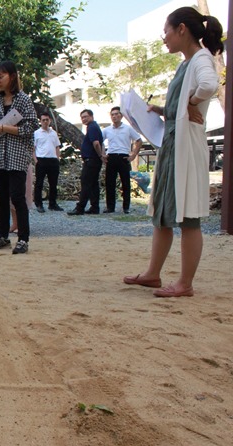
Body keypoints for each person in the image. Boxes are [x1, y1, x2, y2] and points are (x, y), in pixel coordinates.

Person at [124, 7, 223, 298]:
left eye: (166, 31)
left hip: (185, 148)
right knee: (162, 212)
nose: (164, 37)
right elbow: (182, 105)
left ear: (182, 29)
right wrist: (162, 109)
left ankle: (185, 283)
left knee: (187, 215)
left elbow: (209, 85)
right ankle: (153, 273)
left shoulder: (201, 58)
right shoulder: (186, 64)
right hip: (171, 145)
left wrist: (191, 102)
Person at [0, 61, 37, 255]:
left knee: (17, 197)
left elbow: (31, 127)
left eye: (1, 77)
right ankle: (3, 236)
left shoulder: (23, 100)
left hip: (17, 156)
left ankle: (23, 239)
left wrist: (4, 128)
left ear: (12, 76)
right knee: (1, 198)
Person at [102, 106, 142, 214]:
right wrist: (103, 154)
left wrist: (133, 154)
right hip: (111, 156)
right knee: (110, 183)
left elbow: (139, 140)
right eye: (112, 114)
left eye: (117, 114)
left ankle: (126, 207)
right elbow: (100, 141)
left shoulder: (128, 129)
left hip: (123, 157)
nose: (114, 116)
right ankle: (110, 207)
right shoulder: (107, 130)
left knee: (125, 183)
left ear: (121, 116)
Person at [68, 109, 104, 215]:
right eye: (82, 117)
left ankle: (80, 208)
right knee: (93, 184)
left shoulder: (92, 127)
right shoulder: (94, 127)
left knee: (86, 183)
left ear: (91, 116)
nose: (84, 119)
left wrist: (100, 155)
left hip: (91, 159)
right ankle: (95, 207)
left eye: (86, 116)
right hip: (94, 160)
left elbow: (96, 143)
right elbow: (101, 143)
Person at [32, 112, 63, 213]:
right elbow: (33, 148)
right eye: (43, 120)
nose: (45, 122)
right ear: (40, 121)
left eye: (47, 120)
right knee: (39, 183)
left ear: (50, 121)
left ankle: (52, 204)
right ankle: (39, 204)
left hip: (53, 160)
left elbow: (57, 147)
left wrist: (57, 159)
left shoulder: (54, 133)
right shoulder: (36, 133)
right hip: (41, 160)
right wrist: (36, 160)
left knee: (53, 183)